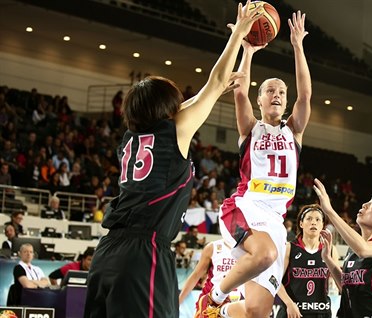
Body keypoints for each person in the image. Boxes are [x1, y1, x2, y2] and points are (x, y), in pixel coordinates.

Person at [83, 4, 265, 317]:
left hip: (106, 254)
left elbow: (202, 97)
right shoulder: (174, 133)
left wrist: (220, 85)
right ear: (168, 108)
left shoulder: (130, 137)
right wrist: (238, 33)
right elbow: (215, 81)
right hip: (143, 254)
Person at [198, 9, 312, 318]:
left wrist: (298, 47)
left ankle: (219, 315)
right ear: (259, 100)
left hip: (275, 221)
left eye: (281, 91)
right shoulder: (250, 129)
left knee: (256, 313)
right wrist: (247, 52)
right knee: (265, 254)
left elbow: (305, 95)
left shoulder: (294, 130)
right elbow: (238, 93)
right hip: (246, 207)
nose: (276, 94)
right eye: (269, 91)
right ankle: (212, 301)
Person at [313, 178, 372, 318]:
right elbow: (346, 287)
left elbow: (363, 250)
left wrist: (330, 211)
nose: (365, 205)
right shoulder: (353, 249)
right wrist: (327, 259)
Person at [277, 204, 339, 318]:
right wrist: (289, 303)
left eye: (317, 219)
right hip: (292, 313)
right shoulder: (289, 248)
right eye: (309, 219)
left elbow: (341, 283)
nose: (313, 222)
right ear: (301, 224)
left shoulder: (331, 250)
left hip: (321, 312)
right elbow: (275, 279)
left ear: (322, 225)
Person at [180, 240, 244, 316]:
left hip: (237, 301)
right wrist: (179, 301)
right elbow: (196, 275)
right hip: (211, 301)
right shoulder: (212, 247)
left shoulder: (249, 248)